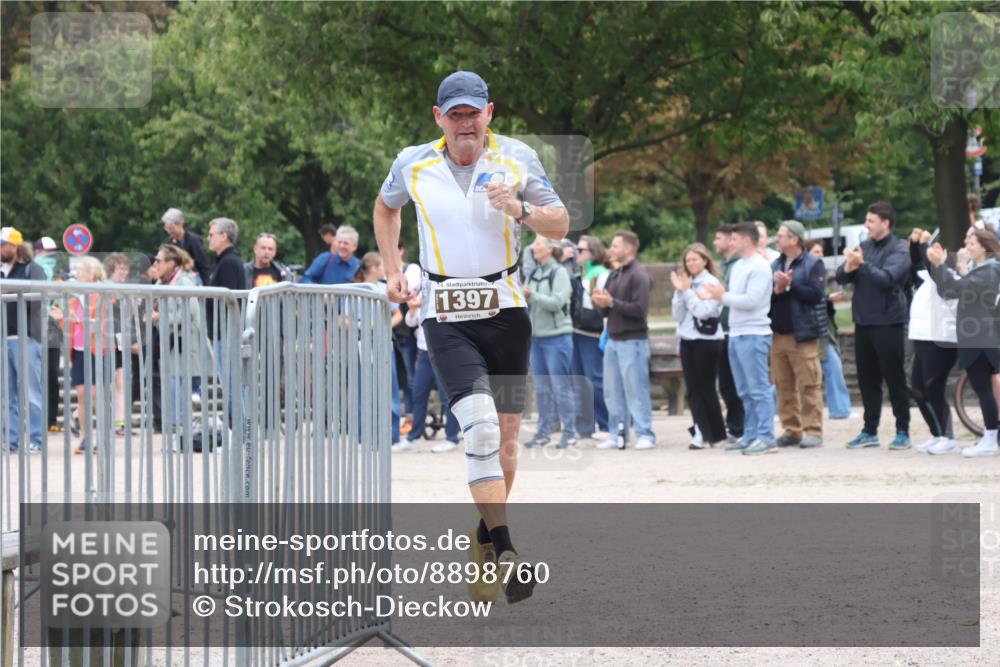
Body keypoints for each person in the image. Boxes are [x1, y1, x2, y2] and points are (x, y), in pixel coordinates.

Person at [373, 70, 568, 605]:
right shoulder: (412, 161)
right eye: (454, 114)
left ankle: (482, 536)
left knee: (505, 446)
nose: (465, 123)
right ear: (439, 118)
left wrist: (520, 208)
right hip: (445, 312)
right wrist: (393, 269)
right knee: (478, 429)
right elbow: (385, 207)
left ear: (489, 114)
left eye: (473, 113)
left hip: (506, 311)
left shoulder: (517, 158)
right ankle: (506, 550)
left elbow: (560, 224)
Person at [836, 202, 912, 449]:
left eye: (870, 221)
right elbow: (840, 276)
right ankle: (870, 431)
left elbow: (888, 279)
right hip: (864, 322)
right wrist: (848, 266)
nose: (866, 225)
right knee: (867, 379)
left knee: (894, 378)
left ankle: (903, 430)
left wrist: (861, 265)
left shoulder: (899, 248)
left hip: (888, 321)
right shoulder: (864, 247)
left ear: (885, 223)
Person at [699, 222, 775, 454]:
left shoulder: (760, 267)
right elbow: (734, 297)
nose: (731, 242)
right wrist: (719, 296)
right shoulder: (740, 266)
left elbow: (751, 300)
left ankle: (766, 436)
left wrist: (722, 297)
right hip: (737, 332)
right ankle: (750, 434)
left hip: (754, 333)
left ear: (747, 240)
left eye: (734, 239)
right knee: (743, 390)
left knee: (758, 388)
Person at [926, 228, 1000, 457]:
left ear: (985, 247)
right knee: (984, 388)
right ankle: (990, 437)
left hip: (980, 337)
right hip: (978, 335)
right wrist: (942, 266)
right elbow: (949, 290)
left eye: (972, 241)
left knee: (983, 388)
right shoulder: (984, 269)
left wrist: (940, 264)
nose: (967, 244)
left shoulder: (989, 270)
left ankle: (990, 438)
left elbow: (956, 288)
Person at [592, 231, 655, 450]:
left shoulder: (639, 275)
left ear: (629, 248)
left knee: (636, 389)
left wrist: (611, 302)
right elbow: (609, 310)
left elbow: (640, 310)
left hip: (633, 341)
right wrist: (602, 304)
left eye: (616, 245)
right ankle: (617, 434)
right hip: (613, 340)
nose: (611, 249)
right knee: (612, 391)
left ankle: (646, 433)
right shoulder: (615, 274)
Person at [769, 221, 827, 449]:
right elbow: (767, 297)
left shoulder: (813, 264)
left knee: (809, 385)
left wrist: (791, 285)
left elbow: (816, 294)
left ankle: (813, 430)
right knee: (783, 385)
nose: (777, 239)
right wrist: (777, 289)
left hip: (802, 335)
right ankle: (791, 430)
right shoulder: (775, 263)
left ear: (794, 239)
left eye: (781, 235)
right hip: (778, 335)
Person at [49, 257, 113, 454]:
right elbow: (71, 327)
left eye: (80, 271)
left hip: (98, 350)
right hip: (78, 350)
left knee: (96, 395)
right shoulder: (74, 297)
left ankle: (102, 437)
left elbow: (103, 324)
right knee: (83, 396)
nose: (76, 274)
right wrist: (61, 319)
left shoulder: (103, 294)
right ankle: (86, 437)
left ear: (92, 273)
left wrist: (77, 319)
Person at [905, 228, 960, 454]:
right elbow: (918, 264)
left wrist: (925, 244)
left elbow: (929, 264)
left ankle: (948, 438)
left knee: (933, 387)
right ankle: (936, 434)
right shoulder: (927, 277)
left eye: (938, 249)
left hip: (941, 340)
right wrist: (914, 244)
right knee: (917, 389)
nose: (932, 253)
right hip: (923, 338)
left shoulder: (948, 275)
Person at [523, 236, 577, 449]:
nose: (533, 247)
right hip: (536, 339)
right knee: (542, 388)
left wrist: (532, 295)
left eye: (537, 244)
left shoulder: (560, 272)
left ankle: (570, 432)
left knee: (560, 387)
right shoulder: (534, 272)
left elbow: (557, 303)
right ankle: (543, 432)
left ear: (550, 249)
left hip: (557, 338)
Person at [670, 242, 725, 449]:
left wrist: (688, 293)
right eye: (688, 260)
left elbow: (704, 311)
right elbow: (679, 315)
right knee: (692, 389)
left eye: (695, 259)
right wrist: (679, 293)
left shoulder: (711, 282)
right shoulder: (686, 283)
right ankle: (700, 431)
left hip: (707, 341)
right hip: (687, 339)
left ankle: (717, 433)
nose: (691, 263)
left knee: (707, 388)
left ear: (705, 260)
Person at [399, 289, 462, 453]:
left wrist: (427, 306)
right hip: (424, 353)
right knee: (418, 393)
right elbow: (410, 322)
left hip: (444, 352)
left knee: (446, 396)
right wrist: (413, 309)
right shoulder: (424, 290)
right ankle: (414, 436)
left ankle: (452, 437)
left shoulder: (448, 290)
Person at [1, 227, 46, 453]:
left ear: (15, 246)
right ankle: (10, 440)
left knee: (31, 393)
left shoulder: (32, 269)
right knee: (6, 395)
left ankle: (36, 439)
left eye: (3, 244)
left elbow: (39, 301)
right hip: (3, 338)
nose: (0, 249)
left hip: (26, 337)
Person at [354, 252, 406, 448]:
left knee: (389, 387)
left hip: (383, 342)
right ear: (375, 267)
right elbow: (344, 319)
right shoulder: (355, 289)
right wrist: (362, 325)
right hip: (362, 343)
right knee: (363, 388)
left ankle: (392, 436)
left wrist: (383, 325)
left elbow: (397, 315)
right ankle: (363, 435)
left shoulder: (385, 288)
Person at [152, 244, 201, 438]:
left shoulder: (184, 282)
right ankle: (177, 429)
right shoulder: (160, 284)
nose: (155, 263)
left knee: (178, 384)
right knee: (170, 384)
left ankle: (183, 430)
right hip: (168, 342)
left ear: (171, 263)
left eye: (159, 260)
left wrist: (159, 317)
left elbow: (188, 313)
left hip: (183, 343)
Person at [805, 240, 852, 420]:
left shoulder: (821, 273)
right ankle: (773, 407)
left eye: (821, 252)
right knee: (795, 373)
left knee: (833, 366)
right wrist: (826, 298)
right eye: (817, 252)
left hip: (823, 332)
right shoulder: (806, 273)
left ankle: (840, 409)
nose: (821, 255)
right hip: (810, 331)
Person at [571, 234, 610, 438]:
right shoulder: (580, 273)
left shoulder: (601, 273)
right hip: (576, 331)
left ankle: (605, 424)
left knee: (595, 379)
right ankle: (585, 427)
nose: (577, 253)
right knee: (579, 381)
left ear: (593, 253)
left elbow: (601, 305)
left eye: (581, 250)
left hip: (592, 333)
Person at [713, 224, 745, 441]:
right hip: (721, 331)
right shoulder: (723, 266)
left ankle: (738, 426)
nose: (715, 242)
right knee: (725, 384)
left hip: (735, 330)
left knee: (736, 383)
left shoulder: (738, 267)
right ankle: (733, 425)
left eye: (718, 238)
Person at [103, 253, 133, 436]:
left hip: (119, 338)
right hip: (106, 338)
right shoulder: (106, 288)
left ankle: (119, 423)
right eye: (120, 268)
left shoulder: (125, 290)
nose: (124, 272)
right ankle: (77, 414)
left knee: (120, 380)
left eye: (125, 268)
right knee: (105, 381)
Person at [162, 207, 212, 285]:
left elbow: (203, 265)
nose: (169, 231)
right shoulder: (167, 242)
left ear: (181, 224)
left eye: (171, 228)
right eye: (166, 228)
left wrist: (207, 287)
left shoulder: (193, 240)